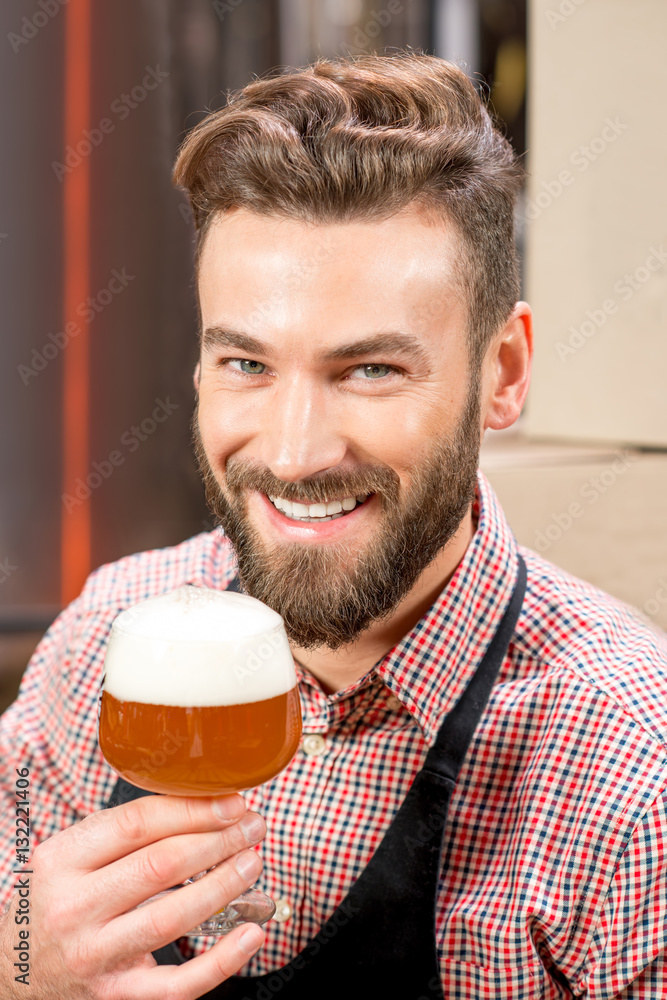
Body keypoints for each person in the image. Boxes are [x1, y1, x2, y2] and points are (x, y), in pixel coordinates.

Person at [1, 51, 666, 1000]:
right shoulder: (106, 634)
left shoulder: (632, 773)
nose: (297, 450)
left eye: (370, 371)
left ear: (504, 373)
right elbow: (9, 895)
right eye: (246, 364)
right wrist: (15, 962)